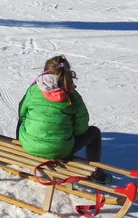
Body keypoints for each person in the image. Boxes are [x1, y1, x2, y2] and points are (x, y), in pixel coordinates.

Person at [16, 55, 112, 184]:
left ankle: (17, 146)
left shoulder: (33, 90)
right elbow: (81, 129)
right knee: (94, 132)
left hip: (28, 145)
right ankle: (95, 172)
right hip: (61, 151)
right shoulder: (73, 96)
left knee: (23, 119)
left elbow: (21, 113)